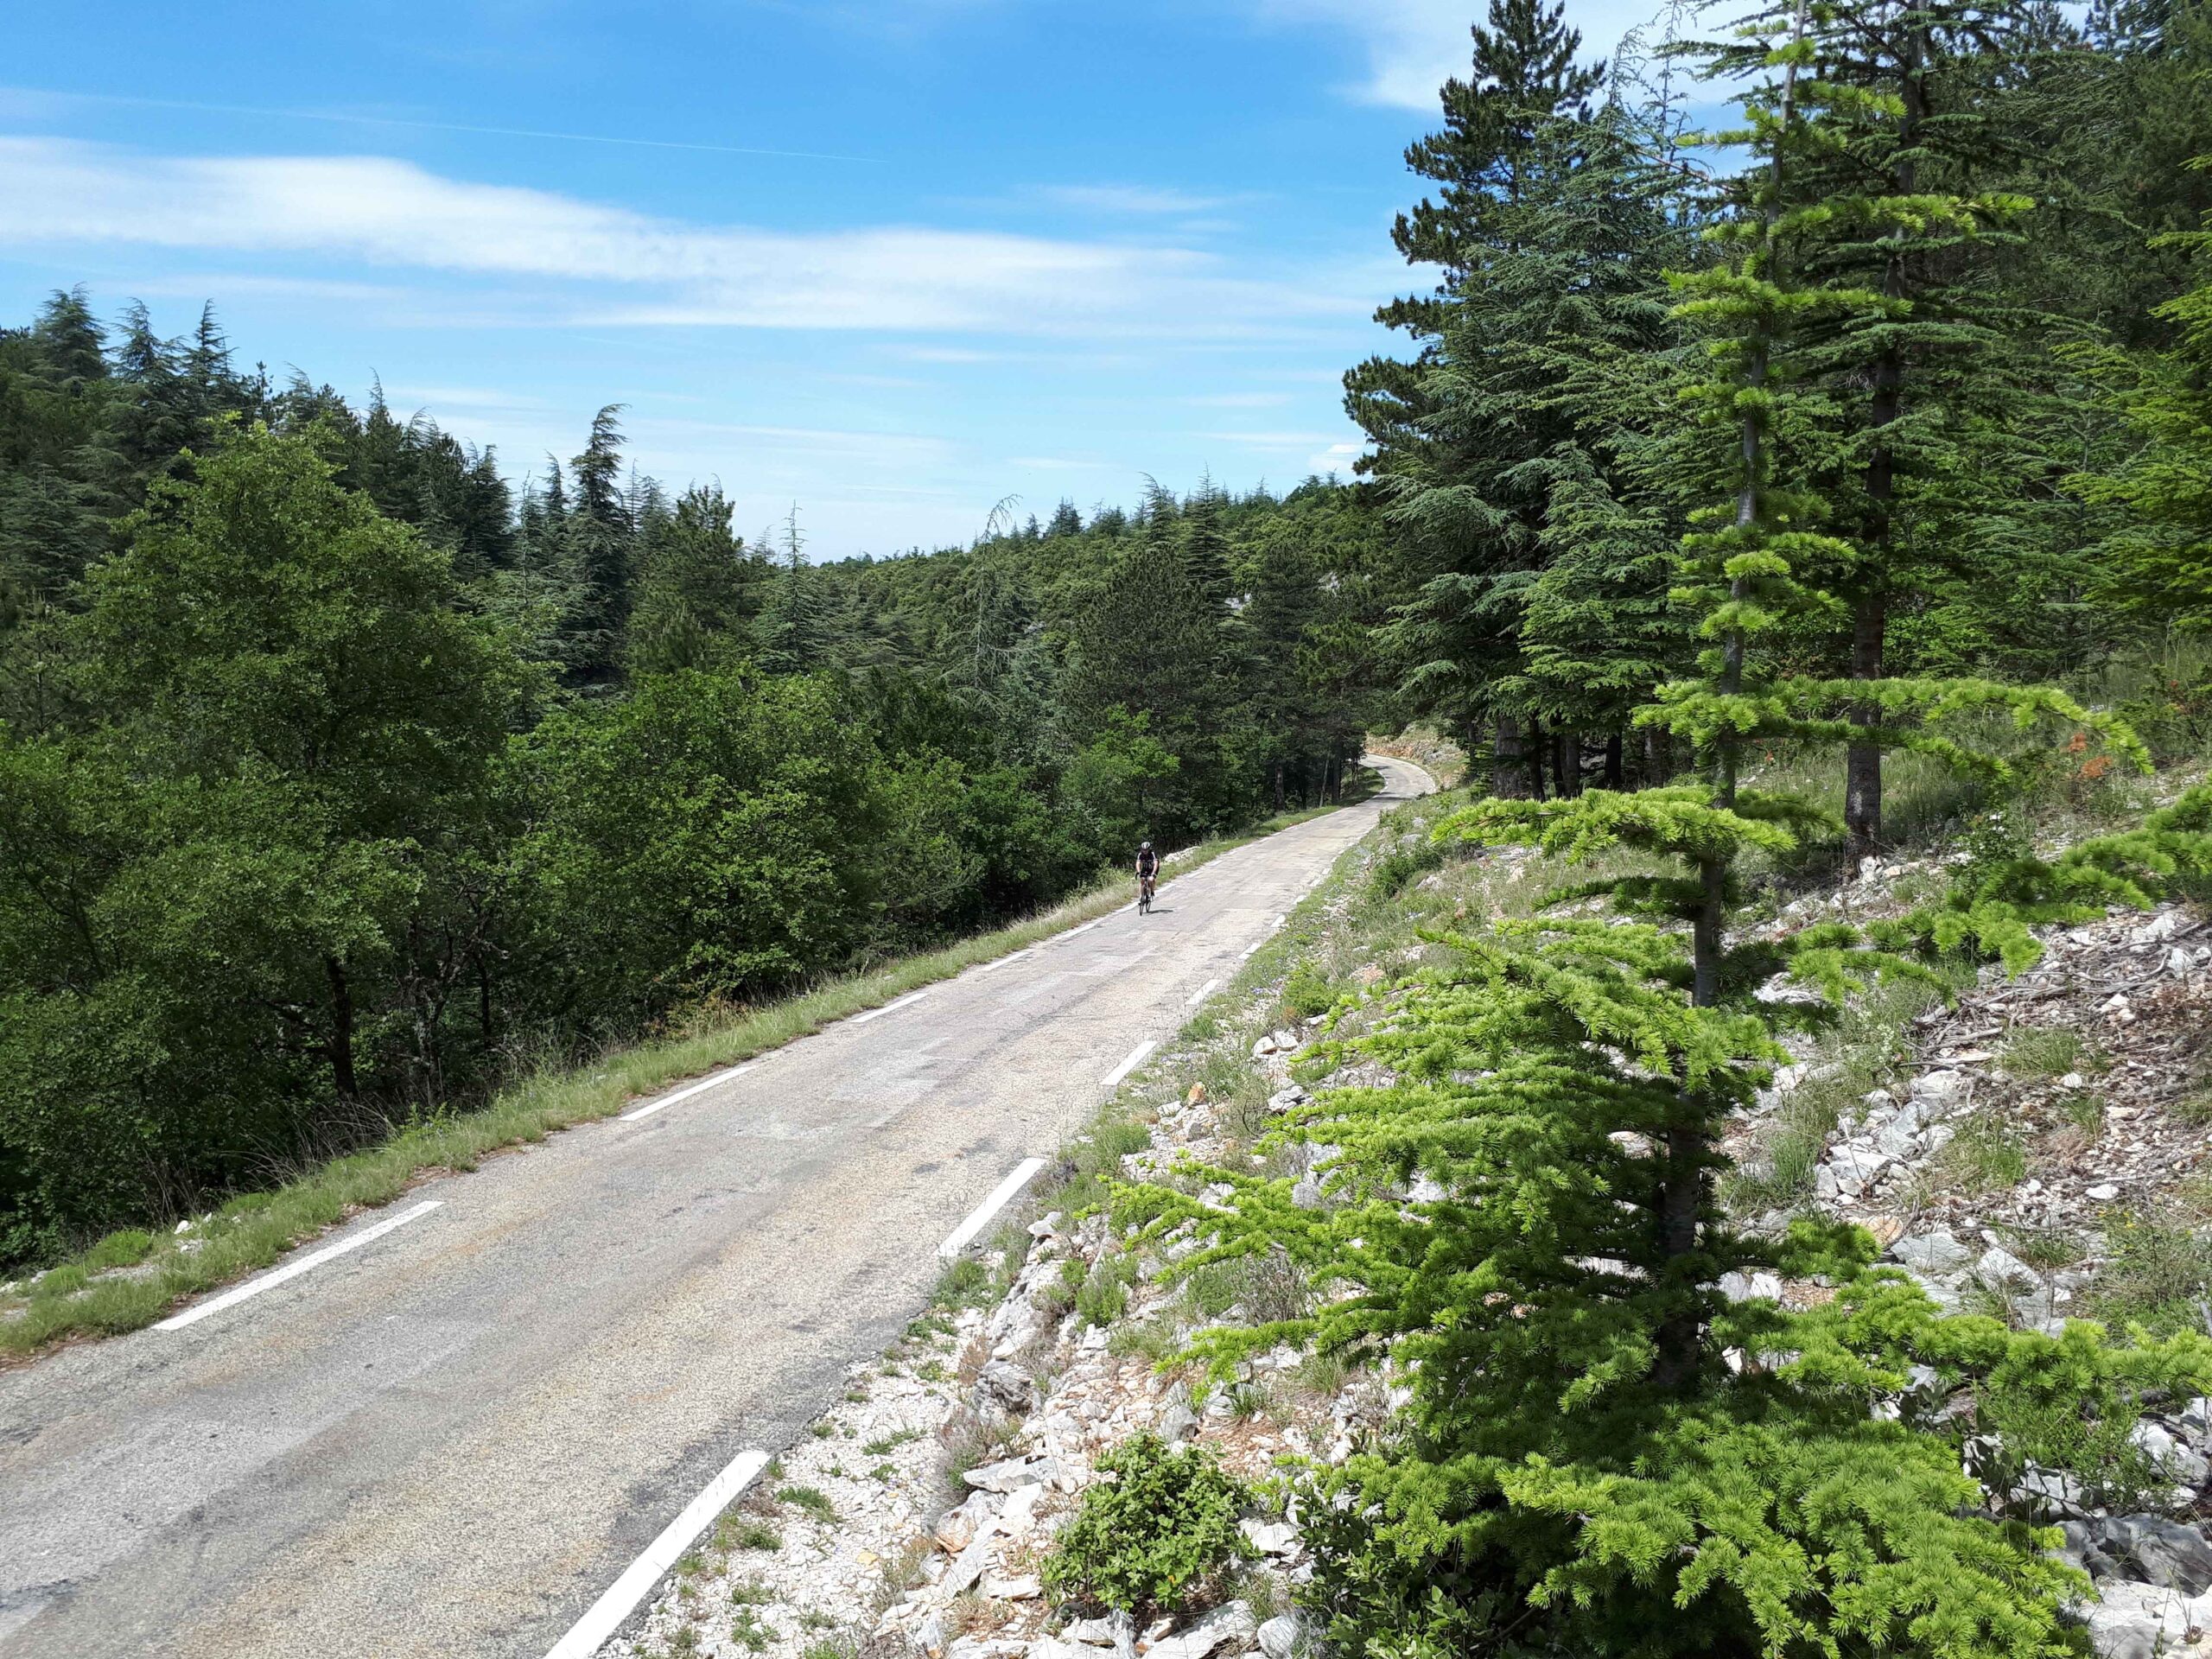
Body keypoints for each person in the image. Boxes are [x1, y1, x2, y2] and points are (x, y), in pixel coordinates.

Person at [1135, 840, 1159, 908]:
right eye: (1143, 850)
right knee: (1142, 880)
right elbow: (1138, 863)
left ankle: (1152, 892)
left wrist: (1153, 873)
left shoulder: (1152, 854)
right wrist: (1139, 872)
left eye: (1146, 850)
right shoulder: (1140, 854)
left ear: (1149, 849)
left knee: (1150, 880)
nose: (1145, 851)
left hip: (1153, 868)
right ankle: (1141, 897)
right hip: (1145, 869)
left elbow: (1156, 864)